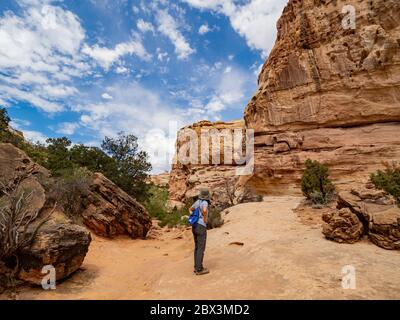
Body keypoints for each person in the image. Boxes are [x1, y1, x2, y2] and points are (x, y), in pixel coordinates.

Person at [189, 188, 211, 275]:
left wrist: (194, 216)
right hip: (201, 227)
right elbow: (205, 210)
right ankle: (199, 269)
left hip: (194, 226)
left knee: (197, 247)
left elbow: (190, 209)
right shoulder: (205, 202)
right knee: (201, 248)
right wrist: (205, 219)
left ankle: (196, 267)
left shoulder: (197, 202)